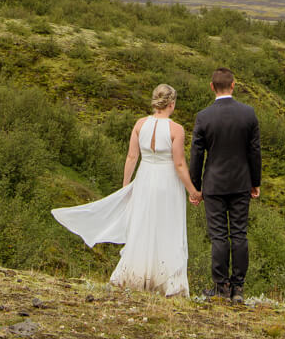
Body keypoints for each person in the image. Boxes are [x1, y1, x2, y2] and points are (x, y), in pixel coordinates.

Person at [51, 84, 202, 297]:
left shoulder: (140, 124)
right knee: (167, 225)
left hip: (144, 178)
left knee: (142, 226)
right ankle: (168, 281)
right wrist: (193, 190)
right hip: (167, 182)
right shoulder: (176, 129)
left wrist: (126, 185)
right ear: (171, 104)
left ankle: (135, 276)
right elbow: (179, 164)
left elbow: (132, 157)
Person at [188, 67, 261, 302]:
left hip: (214, 184)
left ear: (212, 87)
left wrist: (195, 187)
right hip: (241, 182)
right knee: (239, 234)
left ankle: (221, 287)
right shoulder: (248, 113)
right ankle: (238, 289)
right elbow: (254, 151)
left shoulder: (204, 116)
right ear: (233, 85)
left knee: (218, 236)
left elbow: (197, 154)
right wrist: (255, 182)